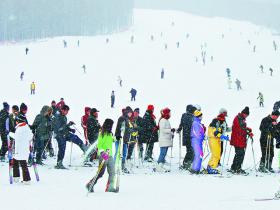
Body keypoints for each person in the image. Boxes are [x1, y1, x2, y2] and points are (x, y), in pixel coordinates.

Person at [86, 118, 116, 193]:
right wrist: (102, 153)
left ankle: (110, 187)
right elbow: (99, 145)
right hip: (103, 156)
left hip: (110, 155)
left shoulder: (110, 133)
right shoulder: (102, 133)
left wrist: (116, 138)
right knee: (100, 173)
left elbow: (112, 140)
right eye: (111, 125)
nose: (112, 126)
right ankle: (90, 184)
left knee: (112, 172)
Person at [53, 105, 87, 169]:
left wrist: (70, 129)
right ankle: (59, 163)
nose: (67, 112)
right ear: (62, 110)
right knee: (62, 148)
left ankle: (86, 150)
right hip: (59, 135)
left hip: (65, 134)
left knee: (76, 138)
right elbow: (59, 128)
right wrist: (68, 125)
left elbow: (64, 126)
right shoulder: (57, 117)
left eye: (67, 111)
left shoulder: (64, 117)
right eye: (66, 111)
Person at [230, 106, 253, 174]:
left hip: (239, 139)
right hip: (238, 139)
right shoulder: (239, 118)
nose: (246, 116)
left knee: (238, 154)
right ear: (243, 113)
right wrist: (247, 132)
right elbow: (240, 129)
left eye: (247, 115)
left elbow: (242, 128)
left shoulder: (240, 118)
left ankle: (234, 167)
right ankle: (237, 168)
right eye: (246, 115)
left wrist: (247, 129)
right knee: (240, 154)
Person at [13, 113, 33, 184]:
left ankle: (24, 179)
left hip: (19, 150)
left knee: (18, 164)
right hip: (24, 150)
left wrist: (9, 134)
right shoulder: (27, 127)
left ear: (18, 121)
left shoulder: (19, 129)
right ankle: (23, 179)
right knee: (22, 164)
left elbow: (16, 138)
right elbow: (31, 136)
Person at [155, 108, 175, 172]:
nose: (170, 114)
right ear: (166, 113)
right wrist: (170, 130)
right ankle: (158, 166)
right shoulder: (163, 120)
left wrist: (172, 132)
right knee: (162, 153)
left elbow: (167, 129)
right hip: (163, 140)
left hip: (166, 140)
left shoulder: (166, 120)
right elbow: (163, 130)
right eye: (169, 113)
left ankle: (161, 165)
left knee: (164, 153)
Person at [177, 104, 196, 170]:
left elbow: (181, 124)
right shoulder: (192, 117)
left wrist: (179, 129)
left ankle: (188, 163)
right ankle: (186, 164)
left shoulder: (184, 115)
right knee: (191, 151)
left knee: (190, 150)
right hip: (190, 137)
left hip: (186, 136)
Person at [190, 110, 205, 174]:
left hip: (197, 141)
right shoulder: (196, 123)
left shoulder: (197, 122)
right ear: (198, 116)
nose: (202, 117)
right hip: (196, 141)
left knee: (199, 154)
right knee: (198, 155)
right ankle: (195, 169)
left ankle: (195, 168)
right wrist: (202, 137)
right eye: (201, 116)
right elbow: (196, 133)